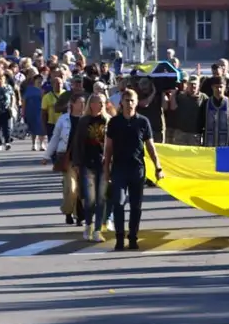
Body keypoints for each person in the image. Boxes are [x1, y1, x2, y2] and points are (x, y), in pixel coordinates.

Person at [103, 89, 165, 251]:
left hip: (137, 169)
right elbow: (108, 148)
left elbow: (150, 146)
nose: (129, 103)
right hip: (119, 169)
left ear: (136, 102)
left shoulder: (143, 122)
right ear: (121, 102)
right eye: (126, 100)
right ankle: (119, 237)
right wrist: (106, 169)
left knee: (136, 207)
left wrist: (158, 166)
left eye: (132, 100)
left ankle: (132, 237)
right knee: (118, 203)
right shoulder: (114, 122)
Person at [71, 93, 112, 242]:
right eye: (98, 103)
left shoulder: (108, 121)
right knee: (90, 199)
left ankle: (97, 230)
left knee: (101, 198)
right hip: (87, 163)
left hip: (103, 164)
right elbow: (77, 143)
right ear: (91, 105)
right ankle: (88, 224)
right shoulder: (84, 121)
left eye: (103, 103)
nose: (101, 105)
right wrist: (76, 162)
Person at [45, 93, 85, 226]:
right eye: (80, 102)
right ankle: (67, 210)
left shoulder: (87, 119)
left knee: (81, 190)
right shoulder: (63, 120)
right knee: (71, 188)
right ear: (72, 104)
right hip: (68, 159)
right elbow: (55, 138)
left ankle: (79, 216)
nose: (83, 105)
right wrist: (46, 155)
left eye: (84, 103)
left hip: (84, 159)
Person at [197, 76, 229, 147]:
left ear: (225, 87)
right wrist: (199, 140)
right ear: (212, 87)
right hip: (209, 142)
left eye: (221, 87)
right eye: (216, 87)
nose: (219, 89)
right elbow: (200, 123)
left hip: (226, 142)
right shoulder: (206, 103)